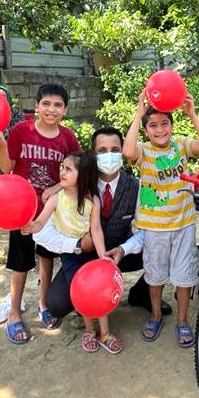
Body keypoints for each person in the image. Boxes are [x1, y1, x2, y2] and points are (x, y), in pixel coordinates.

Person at [37, 127, 171, 320]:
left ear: (123, 151)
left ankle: (141, 294)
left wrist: (124, 249)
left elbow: (148, 228)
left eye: (115, 150)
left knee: (164, 244)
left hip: (119, 254)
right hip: (82, 257)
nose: (109, 155)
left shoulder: (138, 186)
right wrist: (76, 246)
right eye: (102, 151)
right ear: (92, 154)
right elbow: (43, 233)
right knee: (57, 305)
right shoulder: (74, 187)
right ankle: (87, 296)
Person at [0, 82, 81, 345]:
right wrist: (3, 147)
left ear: (65, 109)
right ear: (37, 106)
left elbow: (74, 171)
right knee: (19, 263)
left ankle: (43, 304)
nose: (51, 109)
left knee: (46, 258)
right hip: (21, 210)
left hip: (52, 212)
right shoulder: (22, 130)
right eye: (46, 103)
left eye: (58, 105)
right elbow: (7, 167)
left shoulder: (67, 138)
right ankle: (14, 312)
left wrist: (54, 187)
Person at [123, 90, 199, 347]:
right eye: (153, 125)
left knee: (184, 276)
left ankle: (182, 321)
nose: (160, 129)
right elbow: (127, 150)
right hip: (153, 228)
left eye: (165, 124)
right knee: (155, 275)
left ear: (172, 126)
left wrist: (192, 114)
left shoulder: (182, 145)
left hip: (184, 224)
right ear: (145, 130)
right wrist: (138, 113)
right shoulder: (144, 151)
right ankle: (154, 316)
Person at [25, 151, 123, 354]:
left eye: (68, 169)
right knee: (83, 292)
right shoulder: (55, 198)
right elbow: (41, 222)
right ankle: (89, 331)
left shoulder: (92, 200)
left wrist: (103, 255)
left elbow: (96, 229)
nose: (62, 171)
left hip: (92, 254)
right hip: (70, 256)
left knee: (99, 290)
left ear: (84, 174)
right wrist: (30, 226)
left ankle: (105, 332)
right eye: (62, 167)